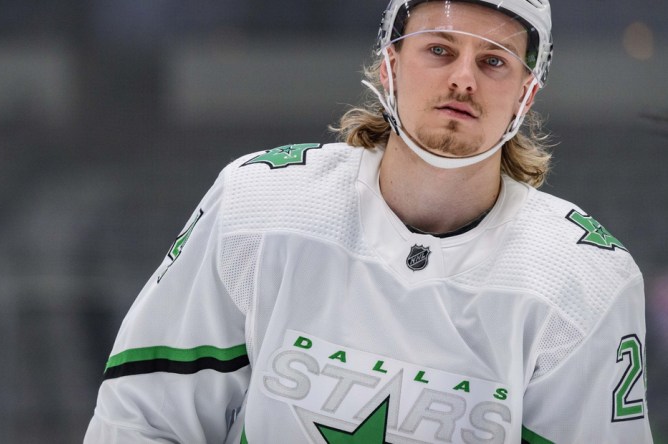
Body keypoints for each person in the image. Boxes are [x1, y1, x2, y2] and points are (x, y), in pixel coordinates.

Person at [85, 0, 654, 442]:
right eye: (439, 50)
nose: (463, 79)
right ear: (389, 64)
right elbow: (141, 420)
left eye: (493, 61)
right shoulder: (258, 205)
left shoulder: (583, 281)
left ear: (526, 95)